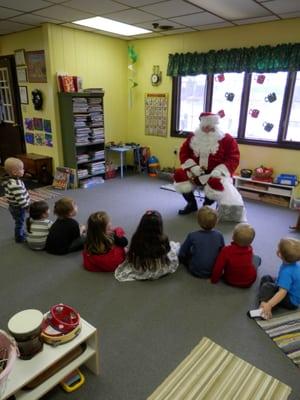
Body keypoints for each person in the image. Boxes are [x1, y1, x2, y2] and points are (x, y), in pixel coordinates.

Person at [174, 112, 240, 215]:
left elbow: (233, 158)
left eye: (209, 127)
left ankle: (206, 207)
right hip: (195, 171)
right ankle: (191, 204)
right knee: (179, 175)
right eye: (203, 127)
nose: (206, 130)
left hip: (215, 173)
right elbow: (184, 152)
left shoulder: (227, 139)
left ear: (215, 125)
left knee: (216, 182)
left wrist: (220, 170)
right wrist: (192, 167)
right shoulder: (193, 136)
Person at [115, 210, 179, 281]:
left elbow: (133, 251)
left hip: (142, 266)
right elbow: (167, 250)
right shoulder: (163, 239)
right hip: (157, 265)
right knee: (174, 247)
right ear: (159, 226)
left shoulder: (136, 237)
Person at [258, 237, 300, 319]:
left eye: (278, 248)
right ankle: (268, 300)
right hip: (292, 292)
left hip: (291, 301)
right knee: (266, 277)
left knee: (267, 286)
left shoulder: (286, 272)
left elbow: (282, 292)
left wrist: (269, 304)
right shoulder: (295, 266)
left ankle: (264, 307)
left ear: (279, 254)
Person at [178, 206, 224, 278]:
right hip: (213, 270)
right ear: (216, 222)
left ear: (198, 222)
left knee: (184, 249)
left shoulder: (192, 235)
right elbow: (222, 251)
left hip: (195, 270)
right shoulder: (219, 235)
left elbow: (182, 252)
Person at [211, 223, 261, 287]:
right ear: (251, 242)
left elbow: (218, 267)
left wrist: (214, 280)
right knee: (257, 259)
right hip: (249, 282)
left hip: (230, 280)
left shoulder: (226, 250)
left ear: (233, 237)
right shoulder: (250, 249)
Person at [2, 157, 30, 242]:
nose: (23, 170)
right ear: (14, 172)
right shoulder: (16, 185)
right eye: (22, 169)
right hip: (19, 207)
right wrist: (27, 207)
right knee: (19, 222)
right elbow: (20, 198)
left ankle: (20, 232)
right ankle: (19, 237)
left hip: (13, 206)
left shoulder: (10, 180)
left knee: (19, 221)